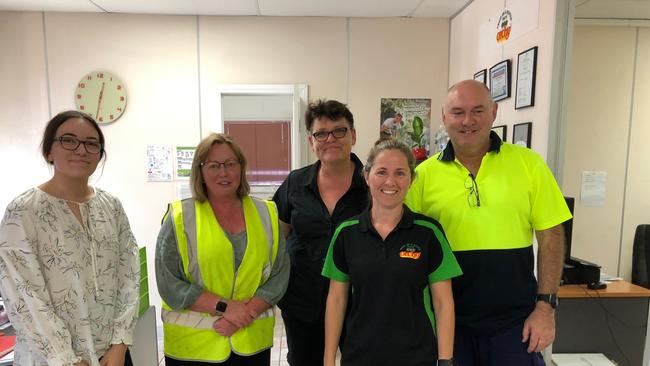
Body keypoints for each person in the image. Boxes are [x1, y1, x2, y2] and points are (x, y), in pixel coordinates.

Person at [405, 80, 572, 366]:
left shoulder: (528, 165)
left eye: (477, 110)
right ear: (444, 117)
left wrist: (546, 308)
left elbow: (551, 235)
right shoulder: (422, 176)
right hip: (447, 326)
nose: (467, 121)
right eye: (457, 112)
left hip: (515, 326)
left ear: (494, 112)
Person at [0, 110, 140, 366]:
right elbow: (22, 295)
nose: (81, 150)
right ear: (49, 151)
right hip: (51, 358)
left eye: (91, 143)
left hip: (112, 356)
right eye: (68, 140)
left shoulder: (111, 206)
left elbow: (129, 276)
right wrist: (66, 359)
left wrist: (120, 343)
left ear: (100, 154)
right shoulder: (23, 211)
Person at [322, 138, 462, 366]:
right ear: (367, 176)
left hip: (417, 357)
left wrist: (445, 361)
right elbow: (336, 299)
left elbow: (443, 303)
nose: (390, 181)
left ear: (411, 179)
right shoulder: (346, 233)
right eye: (381, 172)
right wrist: (328, 360)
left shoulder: (428, 232)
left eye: (400, 173)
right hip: (360, 356)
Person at [156, 133, 289, 366]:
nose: (224, 173)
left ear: (241, 168)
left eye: (230, 164)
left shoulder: (267, 213)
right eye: (214, 165)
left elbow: (279, 275)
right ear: (201, 171)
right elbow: (169, 283)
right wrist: (226, 308)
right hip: (193, 349)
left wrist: (243, 315)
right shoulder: (179, 217)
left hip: (250, 345)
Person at [272, 99, 369, 366]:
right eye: (321, 133)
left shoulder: (373, 184)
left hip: (358, 305)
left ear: (353, 135)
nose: (331, 139)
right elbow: (277, 238)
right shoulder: (295, 183)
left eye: (340, 131)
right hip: (303, 302)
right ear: (311, 142)